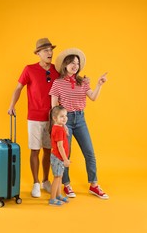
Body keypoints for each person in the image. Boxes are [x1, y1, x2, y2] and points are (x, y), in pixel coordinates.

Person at [49, 48, 109, 199]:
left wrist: (99, 84)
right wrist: (61, 125)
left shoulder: (83, 81)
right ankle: (67, 184)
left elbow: (93, 97)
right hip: (64, 120)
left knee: (89, 152)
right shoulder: (58, 83)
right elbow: (54, 108)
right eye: (72, 62)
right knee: (65, 153)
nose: (75, 65)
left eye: (77, 63)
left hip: (80, 119)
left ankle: (94, 185)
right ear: (65, 65)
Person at [8, 38, 59, 197]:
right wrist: (11, 106)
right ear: (38, 53)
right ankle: (36, 183)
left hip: (52, 118)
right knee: (35, 150)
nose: (49, 53)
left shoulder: (57, 70)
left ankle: (45, 181)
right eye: (46, 50)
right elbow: (18, 88)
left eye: (51, 50)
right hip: (35, 117)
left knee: (48, 150)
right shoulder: (29, 69)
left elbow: (68, 80)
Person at [48, 106, 70, 206]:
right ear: (55, 118)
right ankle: (52, 199)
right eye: (62, 116)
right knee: (57, 177)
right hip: (58, 158)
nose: (65, 118)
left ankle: (58, 195)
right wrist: (65, 159)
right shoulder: (59, 129)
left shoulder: (59, 127)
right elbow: (60, 146)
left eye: (65, 115)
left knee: (60, 176)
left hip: (59, 157)